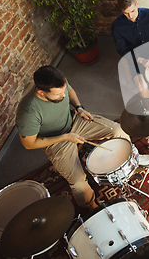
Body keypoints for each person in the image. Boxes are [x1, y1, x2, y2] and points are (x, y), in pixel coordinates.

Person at [16, 66, 130, 210]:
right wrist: (65, 137)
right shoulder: (28, 111)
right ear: (41, 92)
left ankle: (127, 163)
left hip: (74, 121)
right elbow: (28, 143)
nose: (63, 96)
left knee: (118, 130)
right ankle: (92, 207)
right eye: (58, 95)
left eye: (63, 91)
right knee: (78, 182)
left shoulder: (59, 83)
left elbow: (70, 91)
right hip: (56, 140)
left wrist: (79, 108)